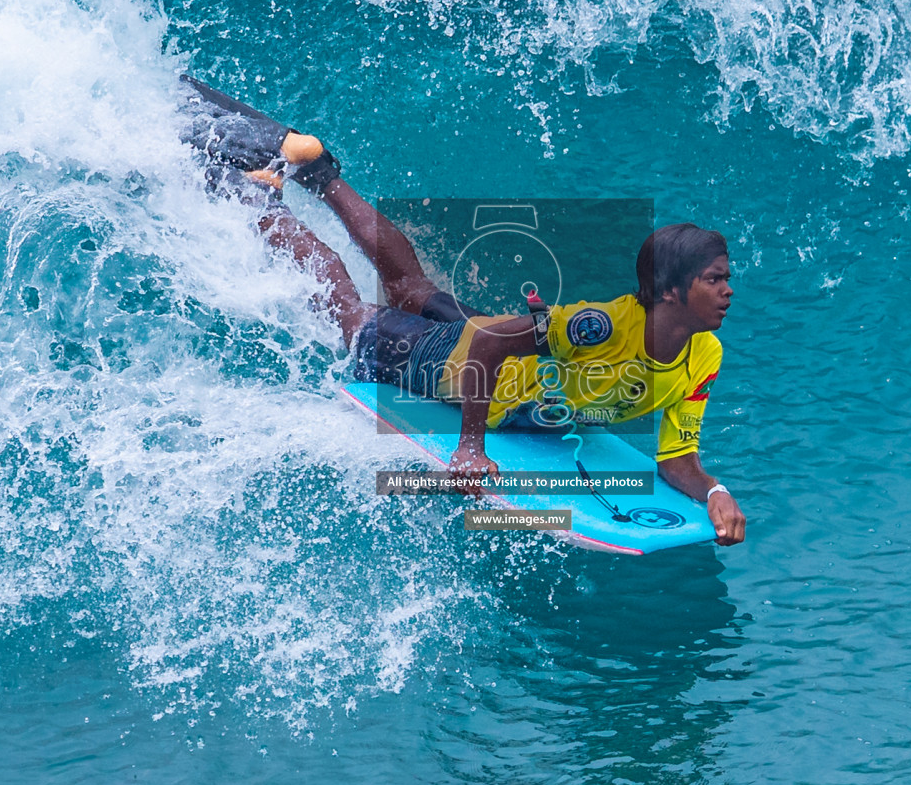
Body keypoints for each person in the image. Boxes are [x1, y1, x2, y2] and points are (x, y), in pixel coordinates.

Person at [180, 77, 748, 546]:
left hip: (516, 370)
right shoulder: (598, 326)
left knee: (411, 286)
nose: (727, 291)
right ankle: (258, 202)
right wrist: (470, 448)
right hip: (458, 366)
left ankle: (319, 171)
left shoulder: (704, 355)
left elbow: (677, 461)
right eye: (714, 279)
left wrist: (716, 492)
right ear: (670, 291)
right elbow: (489, 346)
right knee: (354, 317)